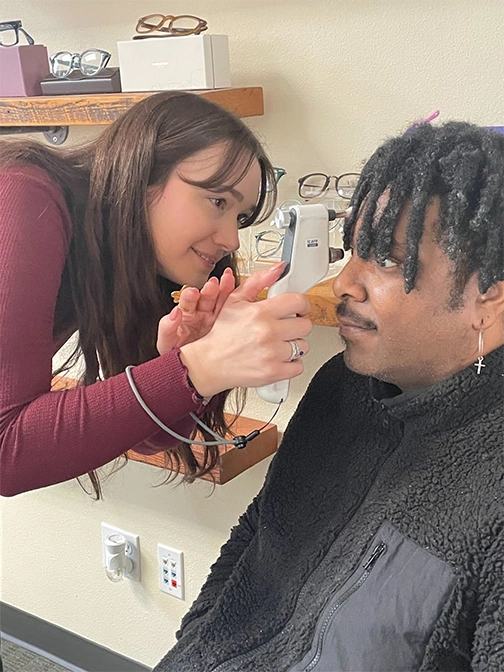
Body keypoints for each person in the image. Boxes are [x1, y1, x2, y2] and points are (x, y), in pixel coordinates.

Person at [155, 121, 504, 672]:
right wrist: (196, 644)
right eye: (353, 252)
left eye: (388, 259)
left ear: (489, 299)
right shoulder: (342, 386)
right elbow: (259, 529)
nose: (345, 283)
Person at [0, 90, 313, 498]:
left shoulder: (121, 259)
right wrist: (196, 366)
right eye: (217, 200)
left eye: (239, 217)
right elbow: (7, 453)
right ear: (141, 175)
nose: (232, 240)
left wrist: (180, 370)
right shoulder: (23, 194)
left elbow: (144, 436)